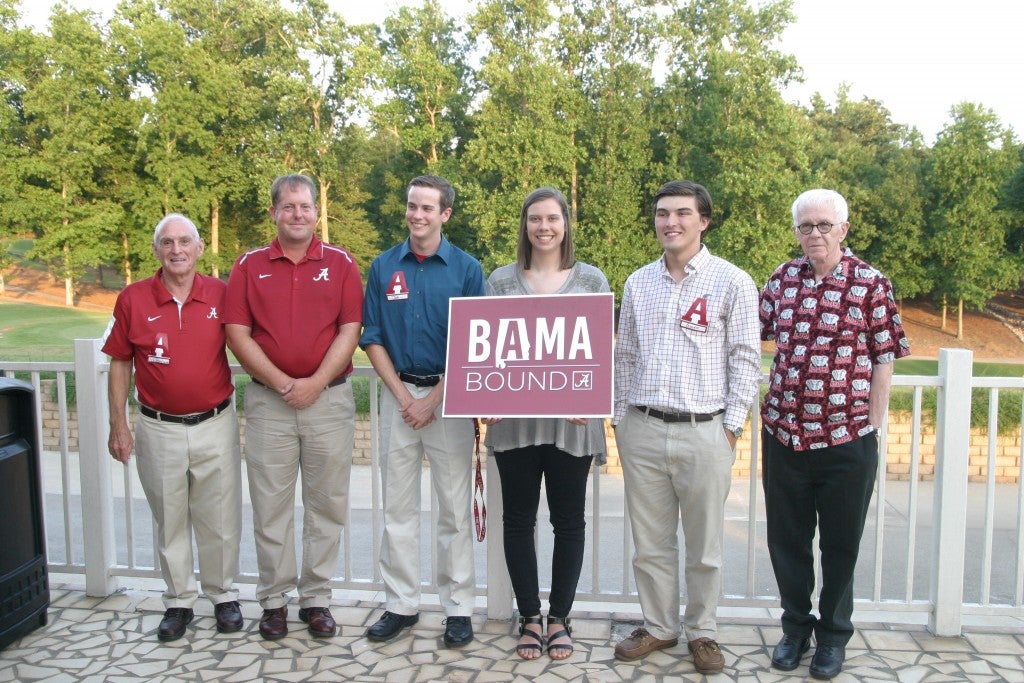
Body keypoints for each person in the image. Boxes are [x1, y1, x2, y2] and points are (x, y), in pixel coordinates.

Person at [760, 189, 909, 679]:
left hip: (847, 439)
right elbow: (746, 332)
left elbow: (886, 356)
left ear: (843, 230)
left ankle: (833, 636)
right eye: (805, 226)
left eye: (824, 225)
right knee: (787, 541)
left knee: (841, 544)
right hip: (784, 436)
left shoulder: (870, 283)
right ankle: (795, 630)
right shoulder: (782, 279)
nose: (814, 234)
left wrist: (872, 423)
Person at [612, 180, 761, 674]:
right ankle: (659, 627)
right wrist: (620, 420)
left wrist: (733, 427)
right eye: (661, 213)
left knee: (705, 546)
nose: (670, 222)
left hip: (706, 431)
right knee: (650, 542)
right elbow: (625, 355)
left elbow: (745, 359)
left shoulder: (732, 281)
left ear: (704, 220)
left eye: (681, 213)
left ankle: (703, 631)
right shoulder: (638, 282)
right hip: (644, 429)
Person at [224, 174, 363, 640]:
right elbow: (237, 333)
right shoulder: (247, 265)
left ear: (316, 212)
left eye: (305, 207)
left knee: (327, 504)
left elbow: (351, 329)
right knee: (271, 507)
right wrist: (284, 382)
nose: (298, 214)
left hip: (329, 402)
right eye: (288, 207)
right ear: (274, 213)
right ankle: (274, 600)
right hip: (269, 404)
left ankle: (317, 598)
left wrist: (316, 382)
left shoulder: (342, 263)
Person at [482, 187, 610, 660]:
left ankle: (560, 617)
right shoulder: (500, 281)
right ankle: (529, 617)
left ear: (565, 224)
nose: (543, 227)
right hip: (514, 424)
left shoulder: (591, 280)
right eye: (534, 219)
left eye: (552, 218)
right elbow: (488, 352)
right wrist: (483, 398)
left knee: (568, 522)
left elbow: (600, 353)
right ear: (525, 225)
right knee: (517, 520)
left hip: (571, 424)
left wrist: (593, 400)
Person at [103, 213, 242, 642]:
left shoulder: (222, 293)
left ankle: (223, 596)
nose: (177, 250)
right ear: (156, 250)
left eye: (185, 241)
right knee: (170, 518)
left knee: (219, 518)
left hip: (215, 422)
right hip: (157, 426)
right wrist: (118, 425)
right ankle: (179, 600)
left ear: (200, 248)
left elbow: (251, 344)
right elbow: (120, 361)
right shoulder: (133, 299)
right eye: (167, 242)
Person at [360, 175, 484, 648]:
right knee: (399, 509)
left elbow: (473, 345)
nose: (417, 215)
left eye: (427, 208)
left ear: (445, 214)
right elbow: (371, 336)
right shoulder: (383, 265)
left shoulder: (467, 270)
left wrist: (433, 400)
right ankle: (401, 605)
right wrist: (406, 399)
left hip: (449, 403)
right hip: (398, 399)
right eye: (412, 206)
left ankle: (457, 609)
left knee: (453, 511)